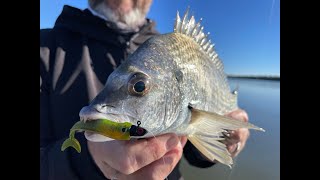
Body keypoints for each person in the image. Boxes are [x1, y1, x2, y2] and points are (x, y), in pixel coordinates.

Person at [40, 0, 250, 179]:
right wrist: (84, 163)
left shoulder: (161, 47)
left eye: (139, 86)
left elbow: (191, 140)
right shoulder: (45, 48)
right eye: (138, 86)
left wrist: (221, 144)